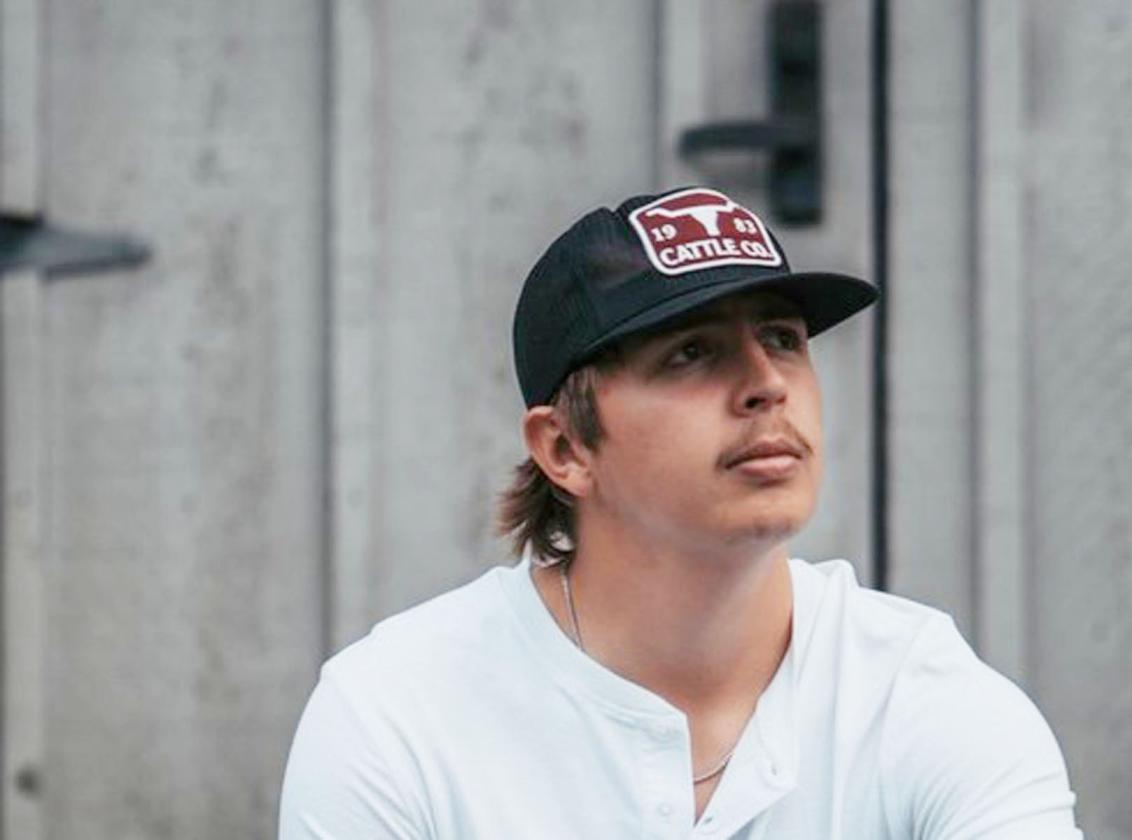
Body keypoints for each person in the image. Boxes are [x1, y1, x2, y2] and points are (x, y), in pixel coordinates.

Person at [278, 186, 1082, 838]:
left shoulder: (918, 697)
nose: (766, 382)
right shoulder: (397, 716)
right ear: (565, 449)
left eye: (783, 338)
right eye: (691, 352)